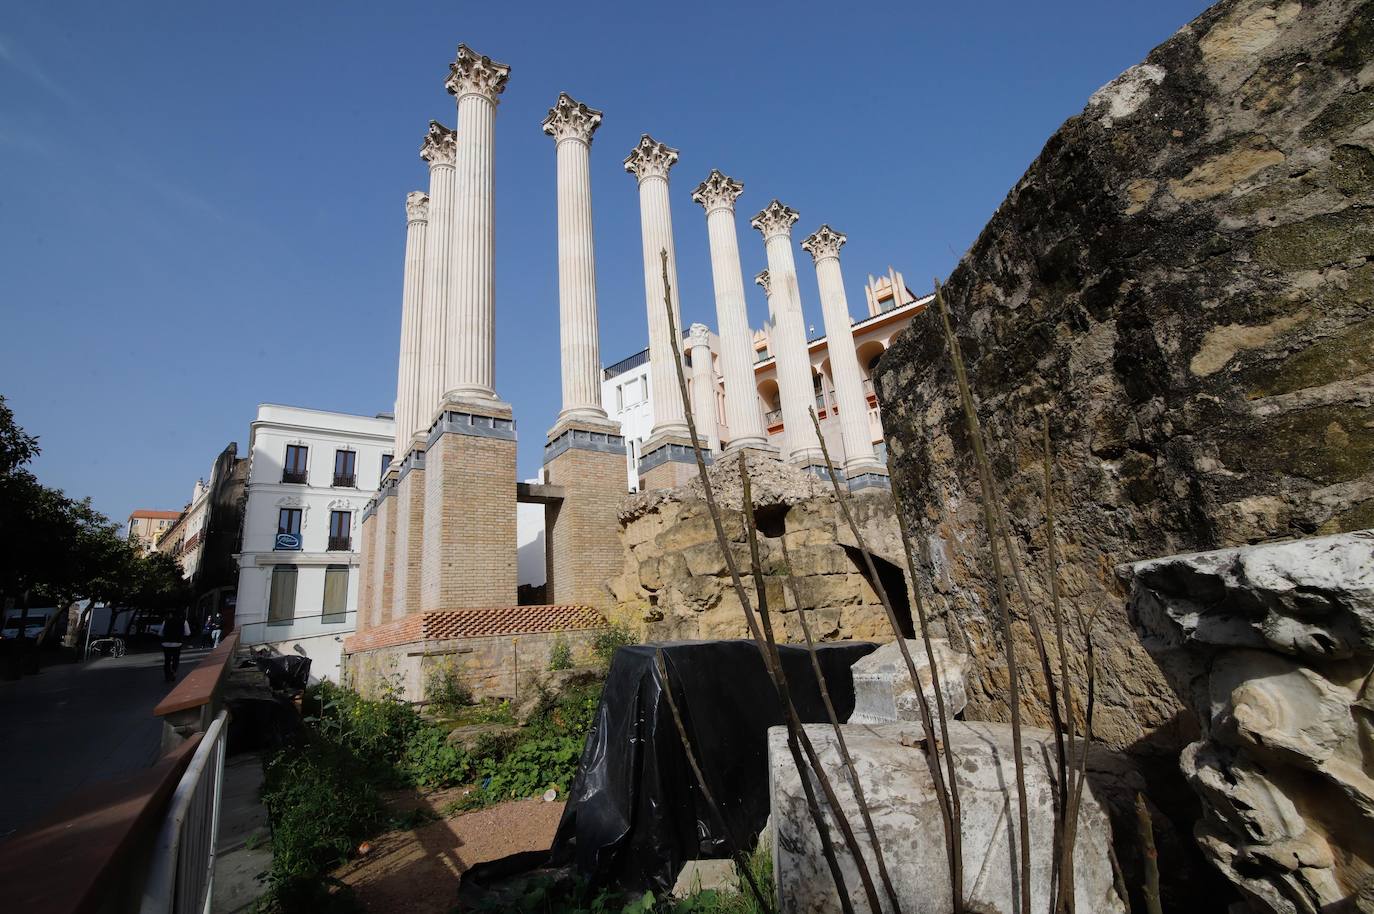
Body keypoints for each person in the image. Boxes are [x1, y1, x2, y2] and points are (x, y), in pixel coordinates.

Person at [160, 610, 190, 682]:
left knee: (167, 660)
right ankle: (173, 673)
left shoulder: (166, 621)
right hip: (177, 643)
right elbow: (188, 633)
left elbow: (160, 633)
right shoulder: (184, 622)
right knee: (175, 659)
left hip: (166, 643)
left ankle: (167, 676)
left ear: (171, 615)